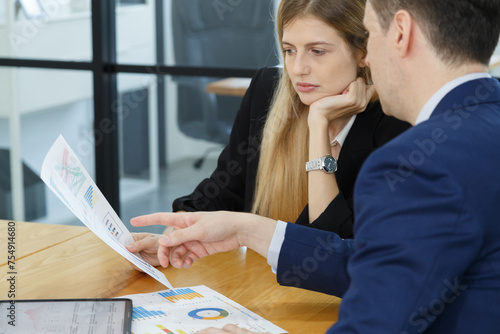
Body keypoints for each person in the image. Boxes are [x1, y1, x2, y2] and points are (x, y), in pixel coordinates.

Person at [129, 0, 500, 333]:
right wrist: (246, 229)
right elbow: (383, 262)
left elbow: (376, 320)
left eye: (369, 35)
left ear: (400, 32)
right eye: (289, 50)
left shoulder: (419, 160)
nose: (369, 57)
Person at [127, 0, 410, 257]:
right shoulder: (267, 91)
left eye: (317, 51)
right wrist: (171, 240)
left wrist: (318, 124)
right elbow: (224, 189)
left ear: (363, 53)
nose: (298, 69)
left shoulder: (395, 124)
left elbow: (334, 250)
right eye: (289, 50)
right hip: (263, 287)